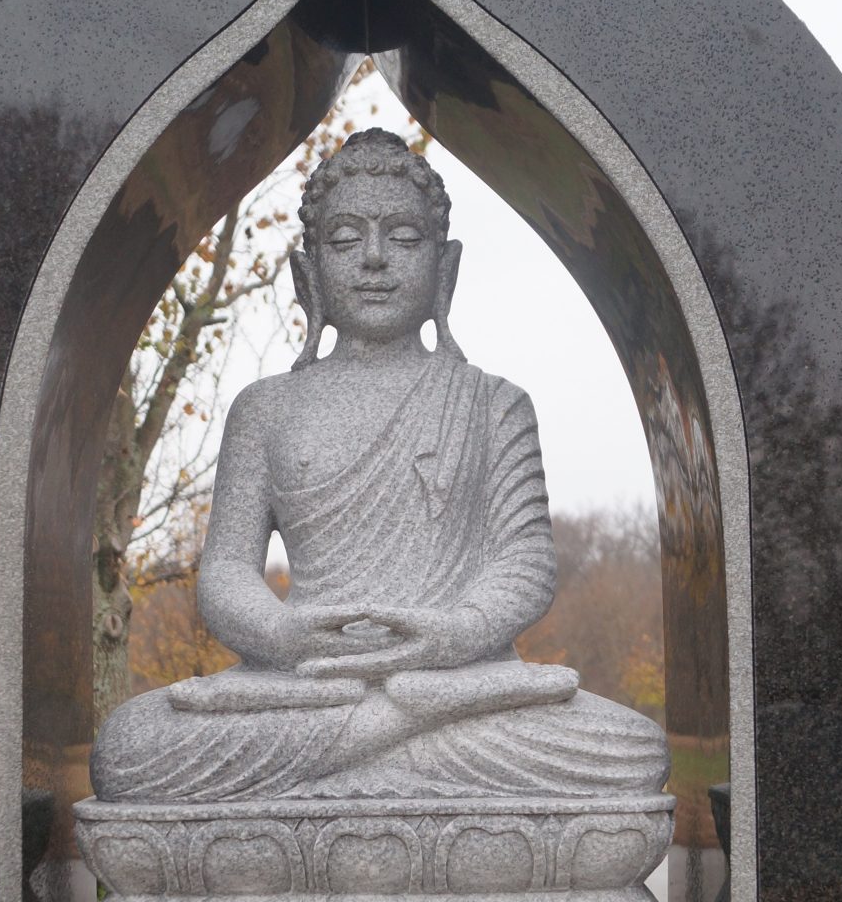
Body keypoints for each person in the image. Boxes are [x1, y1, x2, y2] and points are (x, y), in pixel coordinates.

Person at [91, 128, 668, 805]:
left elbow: (526, 562)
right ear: (307, 274)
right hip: (309, 685)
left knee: (635, 751)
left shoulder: (493, 404)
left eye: (403, 238)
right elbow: (225, 574)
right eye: (344, 240)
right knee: (127, 751)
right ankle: (391, 741)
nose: (373, 259)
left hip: (456, 681)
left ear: (445, 268)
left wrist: (456, 633)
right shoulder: (265, 409)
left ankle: (361, 753)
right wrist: (281, 634)